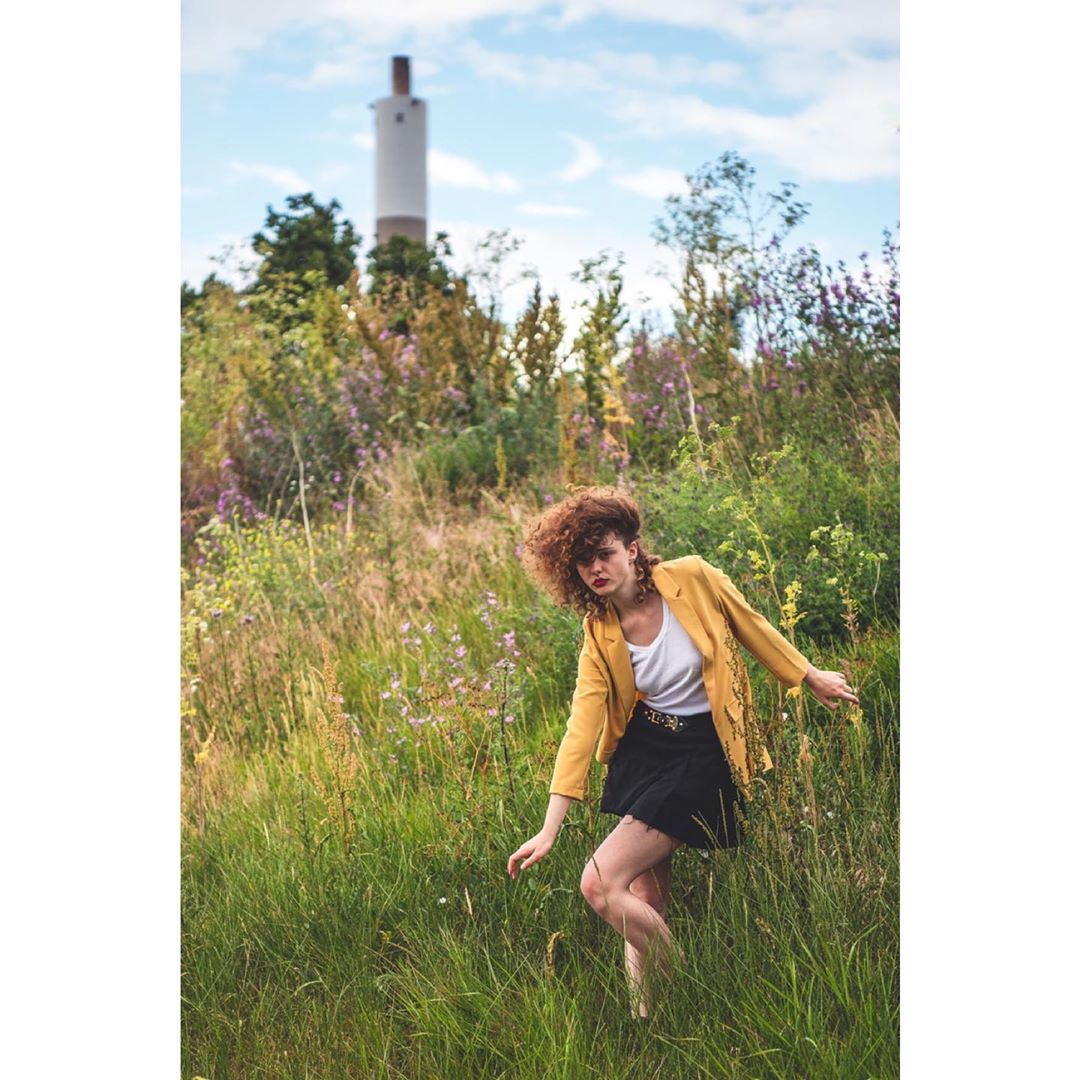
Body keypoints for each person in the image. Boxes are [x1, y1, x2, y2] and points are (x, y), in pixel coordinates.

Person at [506, 487, 859, 1020]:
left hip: (705, 750)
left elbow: (752, 625)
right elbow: (580, 729)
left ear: (631, 547)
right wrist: (549, 828)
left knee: (600, 883)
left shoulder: (692, 578)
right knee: (642, 896)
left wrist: (808, 676)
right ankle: (647, 1016)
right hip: (645, 751)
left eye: (604, 552)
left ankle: (684, 983)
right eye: (582, 561)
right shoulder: (598, 631)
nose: (595, 568)